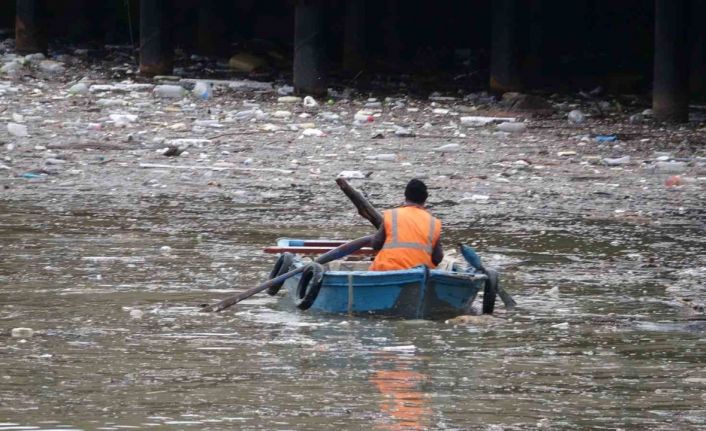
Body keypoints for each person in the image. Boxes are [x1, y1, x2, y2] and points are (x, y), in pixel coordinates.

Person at [370, 179, 443, 271]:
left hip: (387, 270)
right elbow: (438, 258)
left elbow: (376, 244)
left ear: (405, 196)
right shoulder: (434, 222)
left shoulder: (392, 215)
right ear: (425, 200)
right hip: (419, 274)